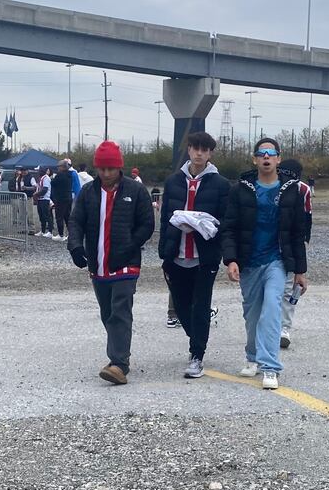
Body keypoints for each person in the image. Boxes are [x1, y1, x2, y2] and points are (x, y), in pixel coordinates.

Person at [221, 137, 308, 390]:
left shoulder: (292, 190)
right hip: (249, 262)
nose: (266, 158)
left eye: (271, 153)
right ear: (255, 159)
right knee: (253, 314)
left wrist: (300, 271)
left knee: (272, 309)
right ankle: (252, 356)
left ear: (279, 158)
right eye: (262, 153)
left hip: (276, 261)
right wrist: (231, 260)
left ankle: (271, 367)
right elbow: (229, 228)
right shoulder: (240, 189)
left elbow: (297, 232)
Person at [67, 140, 155, 386]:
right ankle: (119, 355)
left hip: (126, 263)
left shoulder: (136, 191)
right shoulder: (88, 193)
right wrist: (75, 246)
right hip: (98, 264)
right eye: (102, 169)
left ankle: (118, 364)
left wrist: (130, 245)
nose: (106, 174)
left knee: (120, 310)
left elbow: (147, 224)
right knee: (107, 313)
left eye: (111, 169)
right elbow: (76, 222)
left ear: (119, 168)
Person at [159, 132, 230, 379]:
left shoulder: (221, 184)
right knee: (180, 305)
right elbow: (165, 215)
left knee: (200, 305)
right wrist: (163, 251)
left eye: (204, 149)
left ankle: (196, 354)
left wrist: (206, 227)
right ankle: (197, 336)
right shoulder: (172, 181)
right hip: (176, 254)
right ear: (188, 150)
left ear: (210, 153)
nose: (199, 153)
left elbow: (225, 220)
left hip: (204, 256)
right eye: (195, 148)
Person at [277, 158, 312, 350]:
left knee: (290, 287)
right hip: (273, 243)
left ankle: (284, 328)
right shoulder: (271, 184)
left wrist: (305, 238)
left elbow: (306, 216)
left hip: (292, 242)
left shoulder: (303, 189)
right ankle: (271, 326)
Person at [51, 160, 74, 241]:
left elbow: (53, 183)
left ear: (62, 167)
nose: (57, 168)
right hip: (68, 197)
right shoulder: (70, 174)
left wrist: (53, 178)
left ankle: (61, 235)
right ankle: (71, 234)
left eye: (58, 166)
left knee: (59, 217)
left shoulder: (60, 175)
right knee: (67, 217)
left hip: (60, 199)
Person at [34, 166, 54, 237]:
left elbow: (45, 189)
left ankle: (50, 232)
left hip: (45, 199)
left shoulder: (46, 178)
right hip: (40, 199)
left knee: (47, 215)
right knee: (41, 215)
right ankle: (42, 231)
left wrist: (37, 194)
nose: (37, 172)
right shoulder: (41, 178)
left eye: (38, 170)